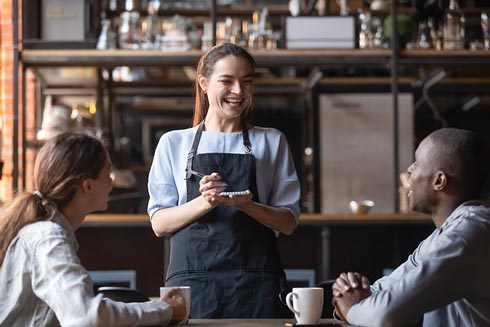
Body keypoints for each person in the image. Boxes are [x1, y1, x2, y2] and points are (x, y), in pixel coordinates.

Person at [148, 43, 301, 318]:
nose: (238, 92)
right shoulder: (174, 143)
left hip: (258, 284)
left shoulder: (272, 141)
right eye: (227, 81)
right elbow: (159, 224)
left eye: (247, 82)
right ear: (204, 83)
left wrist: (247, 205)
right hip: (192, 284)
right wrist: (206, 201)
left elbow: (288, 222)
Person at [0, 132, 187, 327]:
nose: (112, 181)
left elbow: (78, 308)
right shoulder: (48, 237)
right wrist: (164, 310)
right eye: (108, 172)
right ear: (88, 186)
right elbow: (87, 316)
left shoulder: (45, 232)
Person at [331, 127, 490, 327]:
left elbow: (385, 314)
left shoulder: (468, 235)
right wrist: (350, 295)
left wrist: (352, 308)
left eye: (417, 163)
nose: (409, 171)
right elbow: (387, 290)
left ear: (439, 181)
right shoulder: (442, 236)